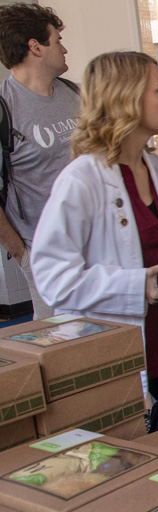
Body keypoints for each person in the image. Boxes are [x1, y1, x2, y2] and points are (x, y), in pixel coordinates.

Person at [30, 52, 158, 400]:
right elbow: (52, 279)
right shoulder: (81, 179)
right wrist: (135, 285)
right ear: (127, 99)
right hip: (122, 351)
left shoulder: (154, 167)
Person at [0, 3, 80, 319]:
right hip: (46, 258)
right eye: (57, 40)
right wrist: (23, 255)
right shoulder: (5, 108)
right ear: (35, 47)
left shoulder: (75, 94)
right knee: (65, 350)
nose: (64, 48)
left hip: (99, 247)